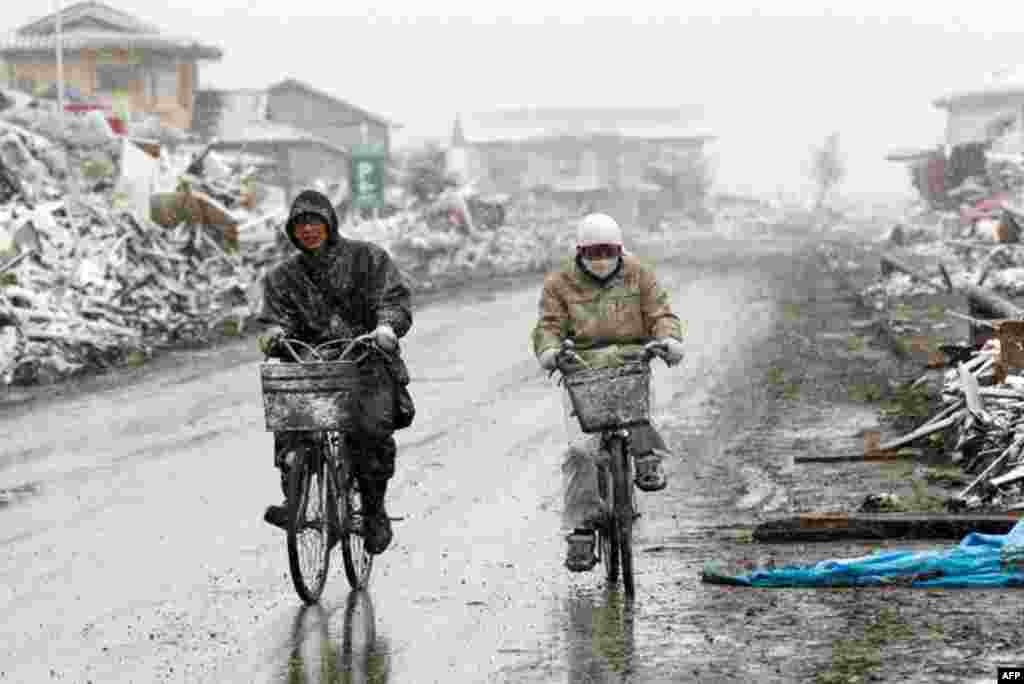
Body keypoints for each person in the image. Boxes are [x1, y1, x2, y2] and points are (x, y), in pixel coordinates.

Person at [257, 189, 413, 555]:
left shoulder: (368, 259)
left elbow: (394, 299)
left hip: (364, 360)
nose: (308, 230)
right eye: (300, 224)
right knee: (293, 432)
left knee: (370, 439)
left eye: (314, 222)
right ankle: (295, 497)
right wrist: (273, 335)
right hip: (310, 365)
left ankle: (373, 513)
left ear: (329, 223)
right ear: (291, 231)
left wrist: (387, 328)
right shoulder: (282, 278)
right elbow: (272, 320)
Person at [530, 213, 686, 572]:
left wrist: (668, 340)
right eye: (592, 252)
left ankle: (646, 456)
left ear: (620, 250)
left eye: (608, 252)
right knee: (581, 454)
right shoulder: (559, 283)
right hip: (582, 369)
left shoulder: (640, 274)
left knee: (637, 409)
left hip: (630, 362)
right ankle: (581, 531)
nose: (600, 260)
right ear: (579, 252)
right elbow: (548, 325)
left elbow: (661, 312)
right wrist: (550, 352)